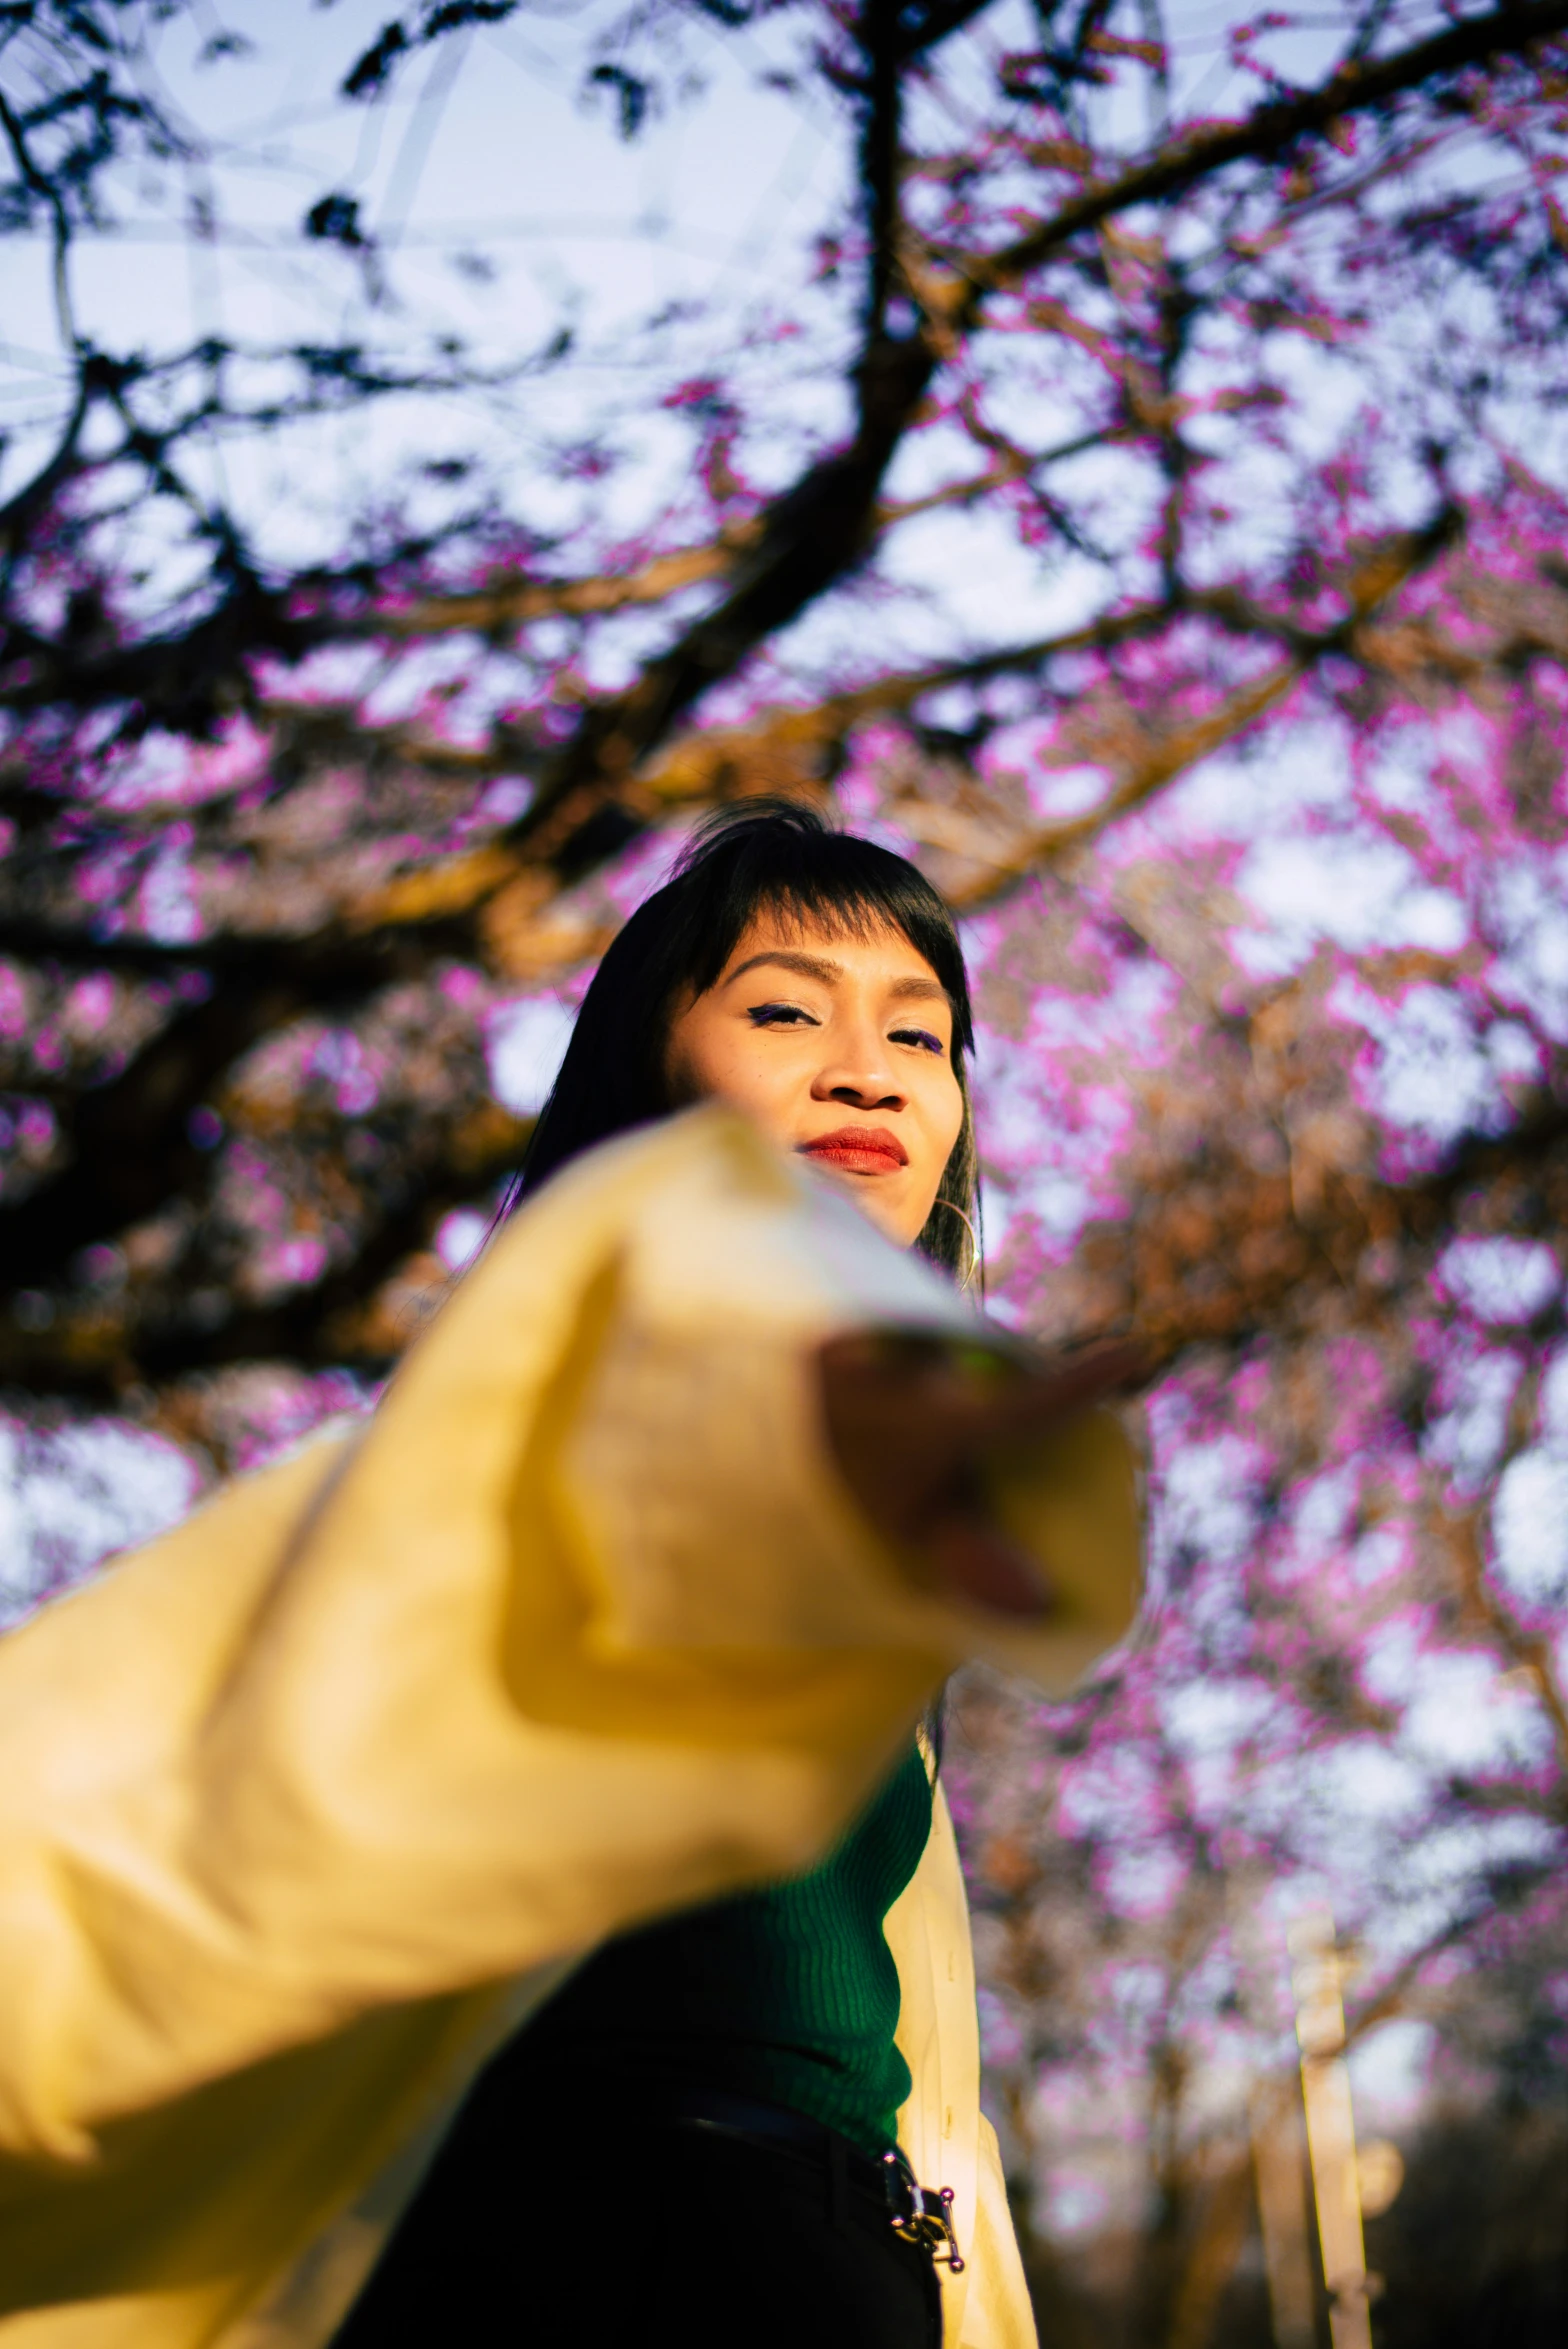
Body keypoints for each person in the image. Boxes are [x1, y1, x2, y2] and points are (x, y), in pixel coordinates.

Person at [0, 807, 1141, 2349]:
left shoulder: (874, 1588)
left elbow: (932, 2106)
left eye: (922, 1037)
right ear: (644, 1075)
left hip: (832, 2255)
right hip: (596, 2244)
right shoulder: (552, 1415)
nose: (870, 1069)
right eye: (785, 1009)